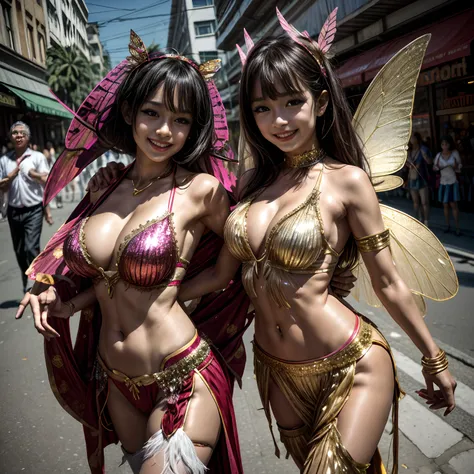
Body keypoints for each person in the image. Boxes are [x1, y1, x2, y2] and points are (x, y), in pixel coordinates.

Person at [16, 39, 247, 474]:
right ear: (129, 113)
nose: (164, 131)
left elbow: (233, 265)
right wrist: (62, 299)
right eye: (152, 113)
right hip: (116, 381)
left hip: (181, 376)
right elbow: (106, 281)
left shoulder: (201, 192)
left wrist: (173, 293)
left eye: (181, 120)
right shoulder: (103, 188)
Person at [0, 122, 52, 292]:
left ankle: (39, 284)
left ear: (28, 137)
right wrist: (12, 175)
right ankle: (28, 281)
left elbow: (47, 181)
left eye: (22, 133)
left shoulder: (37, 157)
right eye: (15, 133)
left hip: (34, 209)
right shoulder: (4, 160)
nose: (19, 135)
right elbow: (2, 186)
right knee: (19, 251)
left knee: (31, 247)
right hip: (13, 210)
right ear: (10, 137)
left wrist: (47, 209)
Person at [433, 135, 462, 235]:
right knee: (445, 205)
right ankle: (447, 225)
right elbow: (434, 167)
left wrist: (455, 166)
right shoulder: (438, 155)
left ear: (449, 144)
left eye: (446, 144)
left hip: (452, 181)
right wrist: (438, 167)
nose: (444, 146)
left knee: (453, 204)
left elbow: (460, 165)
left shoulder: (454, 153)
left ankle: (457, 227)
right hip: (443, 181)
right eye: (443, 144)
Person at [407, 131, 432, 225]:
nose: (411, 140)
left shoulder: (423, 149)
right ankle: (418, 220)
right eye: (410, 138)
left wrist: (425, 156)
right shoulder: (409, 151)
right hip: (412, 178)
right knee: (416, 202)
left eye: (413, 137)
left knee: (425, 202)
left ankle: (426, 221)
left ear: (417, 138)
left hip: (422, 177)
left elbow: (430, 162)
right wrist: (409, 165)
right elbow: (405, 163)